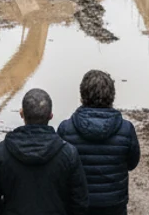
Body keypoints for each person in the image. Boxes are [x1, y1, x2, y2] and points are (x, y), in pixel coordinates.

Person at [0, 88, 88, 215]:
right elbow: (80, 203)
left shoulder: (1, 153)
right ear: (51, 116)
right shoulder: (69, 154)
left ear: (21, 114)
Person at [58, 70, 141, 215]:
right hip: (114, 202)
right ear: (112, 96)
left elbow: (60, 169)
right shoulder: (126, 129)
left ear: (82, 95)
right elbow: (132, 163)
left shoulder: (66, 129)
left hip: (78, 203)